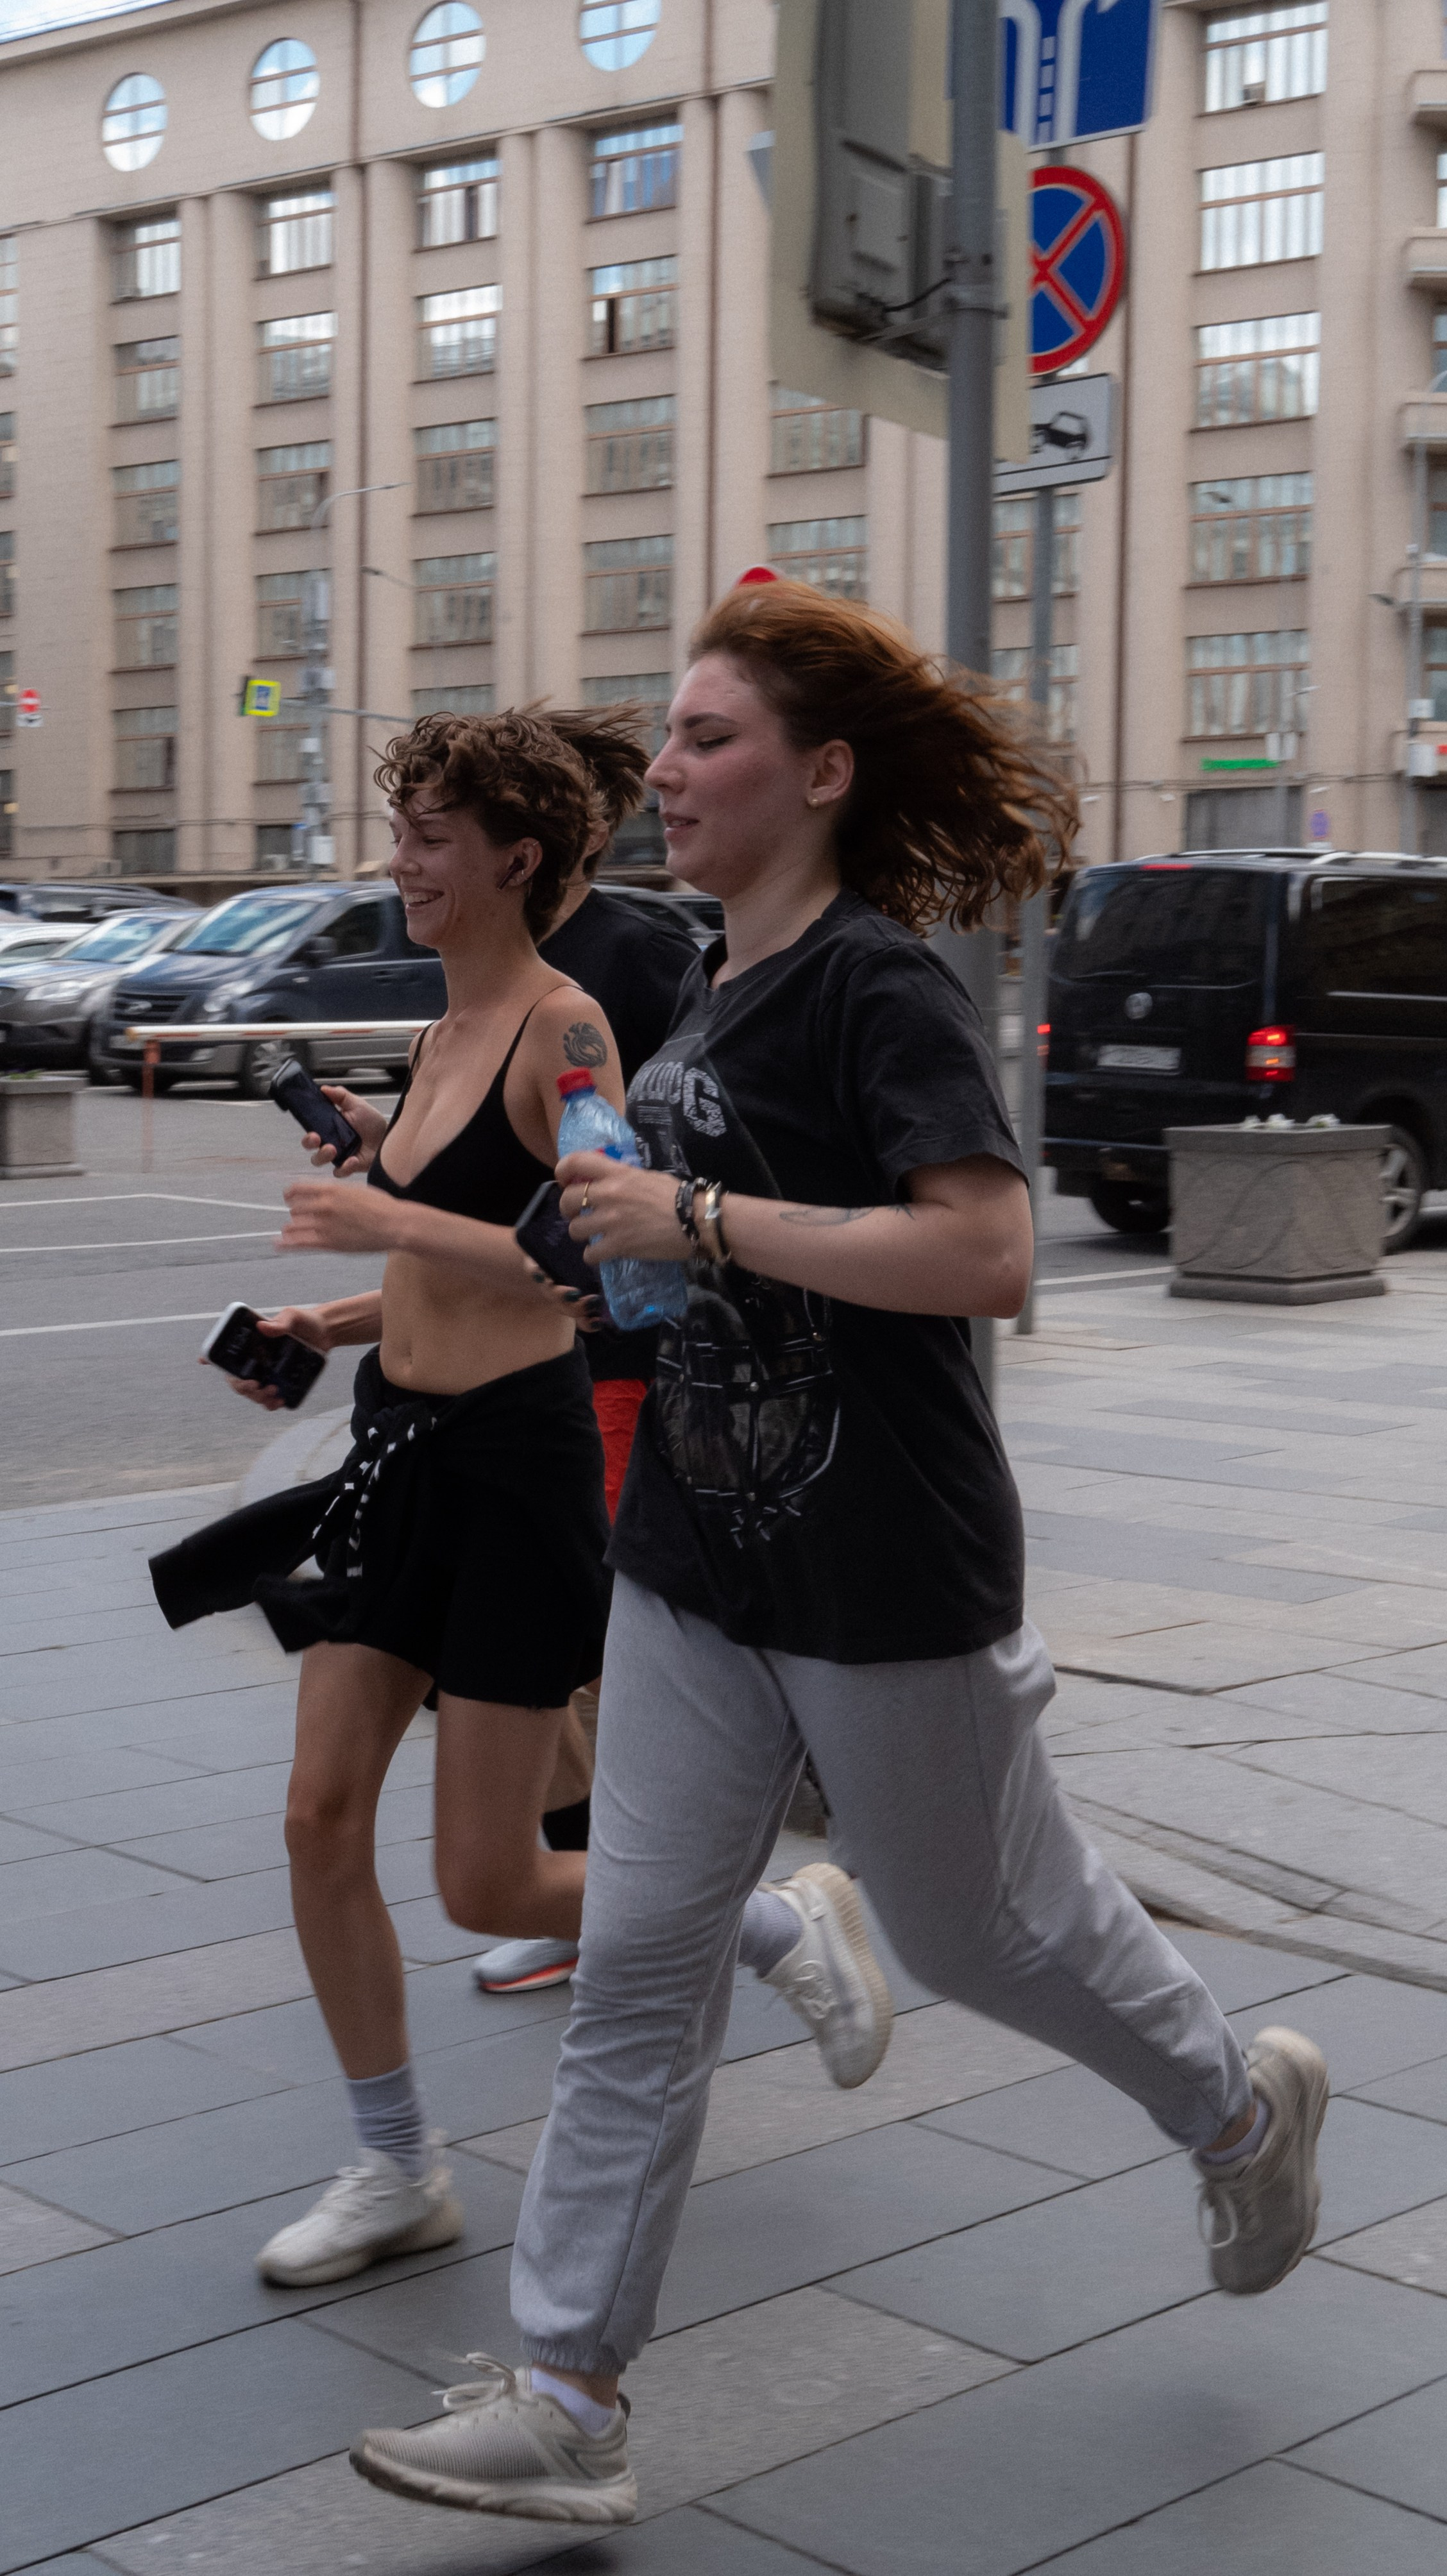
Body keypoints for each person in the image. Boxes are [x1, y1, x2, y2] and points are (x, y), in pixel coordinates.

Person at [349, 583, 1330, 2524]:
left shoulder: (885, 984)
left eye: (708, 736)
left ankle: (1239, 2104)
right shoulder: (710, 984)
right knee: (634, 1966)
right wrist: (585, 1240)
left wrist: (695, 1215)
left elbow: (987, 1256)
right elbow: (684, 1260)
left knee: (980, 1934)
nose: (671, 769)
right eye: (672, 735)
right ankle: (569, 2398)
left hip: (888, 1572)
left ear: (821, 772)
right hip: (696, 1557)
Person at [150, 705, 890, 2294]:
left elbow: (612, 1278)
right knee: (314, 1815)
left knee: (487, 1877)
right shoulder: (432, 1036)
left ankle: (768, 1922)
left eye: (429, 838)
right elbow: (444, 1256)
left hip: (514, 1469)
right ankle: (395, 2161)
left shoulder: (564, 1035)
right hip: (398, 1447)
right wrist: (326, 1323)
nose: (401, 864)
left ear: (516, 857)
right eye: (402, 829)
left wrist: (371, 1225)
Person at [477, 700, 699, 1994]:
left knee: (591, 1638)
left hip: (608, 1350)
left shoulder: (636, 959)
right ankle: (598, 1889)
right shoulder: (490, 965)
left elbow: (665, 1144)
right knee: (539, 1643)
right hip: (508, 1354)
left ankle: (615, 1895)